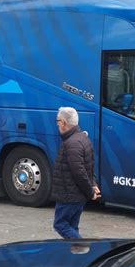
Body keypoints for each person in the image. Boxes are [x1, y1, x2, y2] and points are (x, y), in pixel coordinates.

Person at [51, 107, 100, 251]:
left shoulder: (71, 143)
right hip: (78, 195)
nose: (57, 124)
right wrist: (92, 184)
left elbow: (79, 172)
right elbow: (88, 166)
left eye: (58, 121)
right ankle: (78, 256)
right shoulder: (83, 138)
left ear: (64, 123)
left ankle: (84, 246)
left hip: (69, 195)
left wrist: (91, 191)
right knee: (72, 227)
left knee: (60, 224)